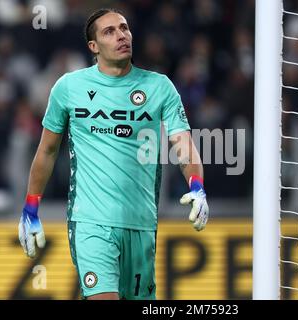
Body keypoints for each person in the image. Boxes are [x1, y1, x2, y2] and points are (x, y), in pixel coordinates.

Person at [18, 8, 209, 300]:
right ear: (93, 47)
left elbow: (182, 142)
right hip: (90, 221)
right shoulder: (69, 87)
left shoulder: (160, 88)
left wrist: (196, 185)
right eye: (109, 31)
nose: (121, 35)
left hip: (141, 223)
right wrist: (31, 207)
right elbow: (47, 149)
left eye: (124, 28)